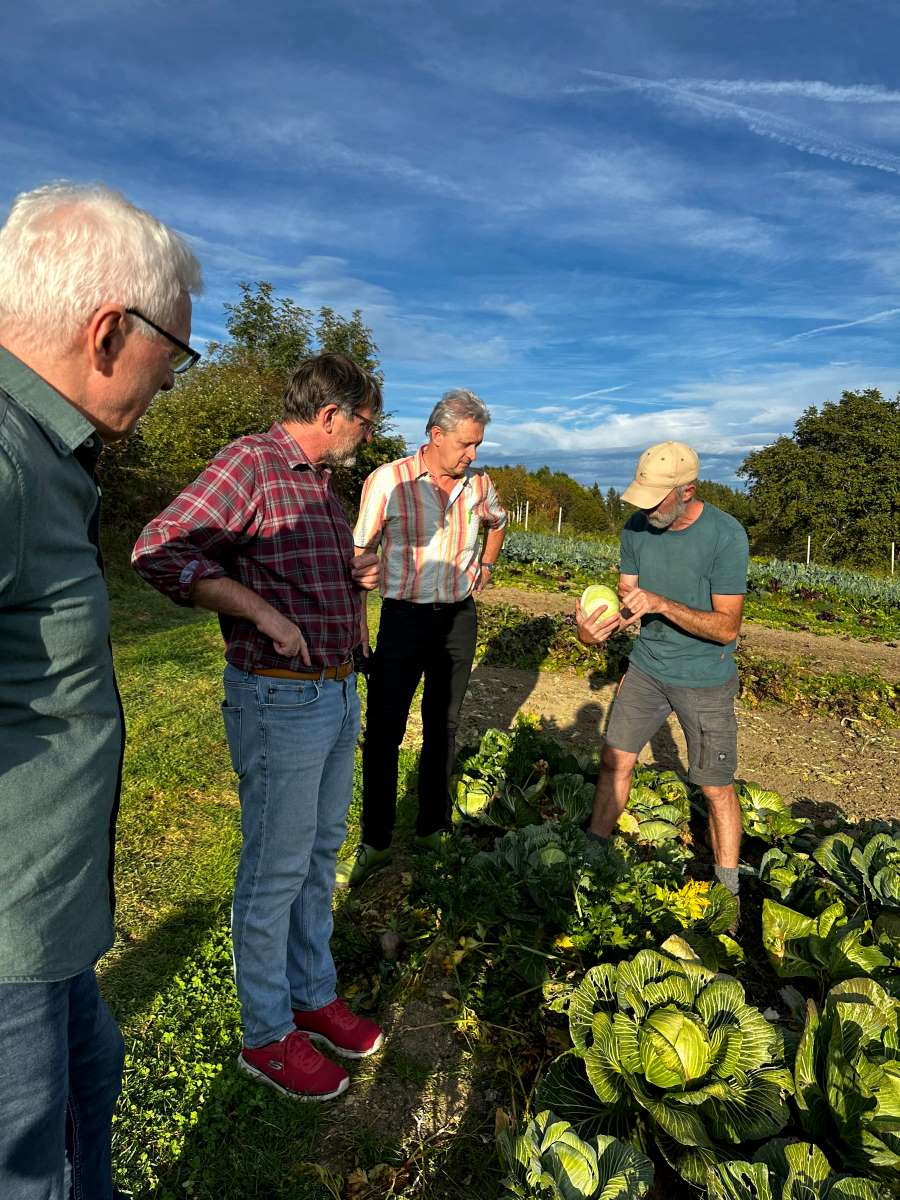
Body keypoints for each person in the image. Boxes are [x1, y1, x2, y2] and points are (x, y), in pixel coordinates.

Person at [0, 182, 202, 1200]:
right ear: (110, 329)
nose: (170, 384)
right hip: (5, 935)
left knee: (91, 1095)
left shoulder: (44, 456)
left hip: (48, 916)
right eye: (174, 361)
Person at [132, 353, 385, 1101]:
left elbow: (299, 568)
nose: (365, 436)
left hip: (336, 694)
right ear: (331, 414)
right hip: (280, 700)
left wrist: (355, 570)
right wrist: (259, 610)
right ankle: (266, 1032)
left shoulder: (319, 485)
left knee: (317, 854)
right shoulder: (251, 462)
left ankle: (312, 994)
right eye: (363, 421)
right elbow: (158, 548)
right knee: (275, 867)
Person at [339, 388, 507, 887]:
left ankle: (432, 828)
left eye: (478, 445)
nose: (473, 454)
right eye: (467, 444)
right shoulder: (388, 481)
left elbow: (497, 524)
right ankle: (376, 840)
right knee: (385, 730)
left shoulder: (478, 486)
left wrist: (487, 563)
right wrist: (359, 629)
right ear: (437, 436)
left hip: (458, 619)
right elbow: (359, 556)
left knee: (444, 726)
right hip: (403, 620)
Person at [576, 441, 749, 905]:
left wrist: (661, 604)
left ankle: (727, 892)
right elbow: (626, 599)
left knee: (714, 786)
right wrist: (594, 631)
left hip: (705, 678)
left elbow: (726, 627)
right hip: (647, 668)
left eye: (655, 499)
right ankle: (592, 855)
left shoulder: (726, 535)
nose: (644, 509)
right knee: (615, 760)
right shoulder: (636, 528)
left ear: (687, 491)